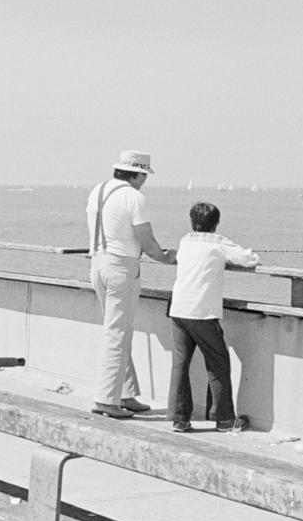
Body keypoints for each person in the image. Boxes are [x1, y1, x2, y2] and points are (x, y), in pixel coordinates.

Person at [85, 150, 177, 419]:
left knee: (117, 330)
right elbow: (147, 241)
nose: (144, 181)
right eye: (144, 175)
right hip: (121, 268)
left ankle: (125, 394)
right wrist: (166, 256)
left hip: (98, 265)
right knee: (117, 334)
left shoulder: (97, 191)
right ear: (138, 174)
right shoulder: (134, 197)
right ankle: (105, 400)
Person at [167, 202, 259, 433]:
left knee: (180, 364)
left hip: (178, 309)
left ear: (192, 221)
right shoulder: (218, 242)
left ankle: (180, 419)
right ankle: (225, 419)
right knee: (218, 362)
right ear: (216, 223)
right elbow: (248, 259)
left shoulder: (185, 240)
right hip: (202, 313)